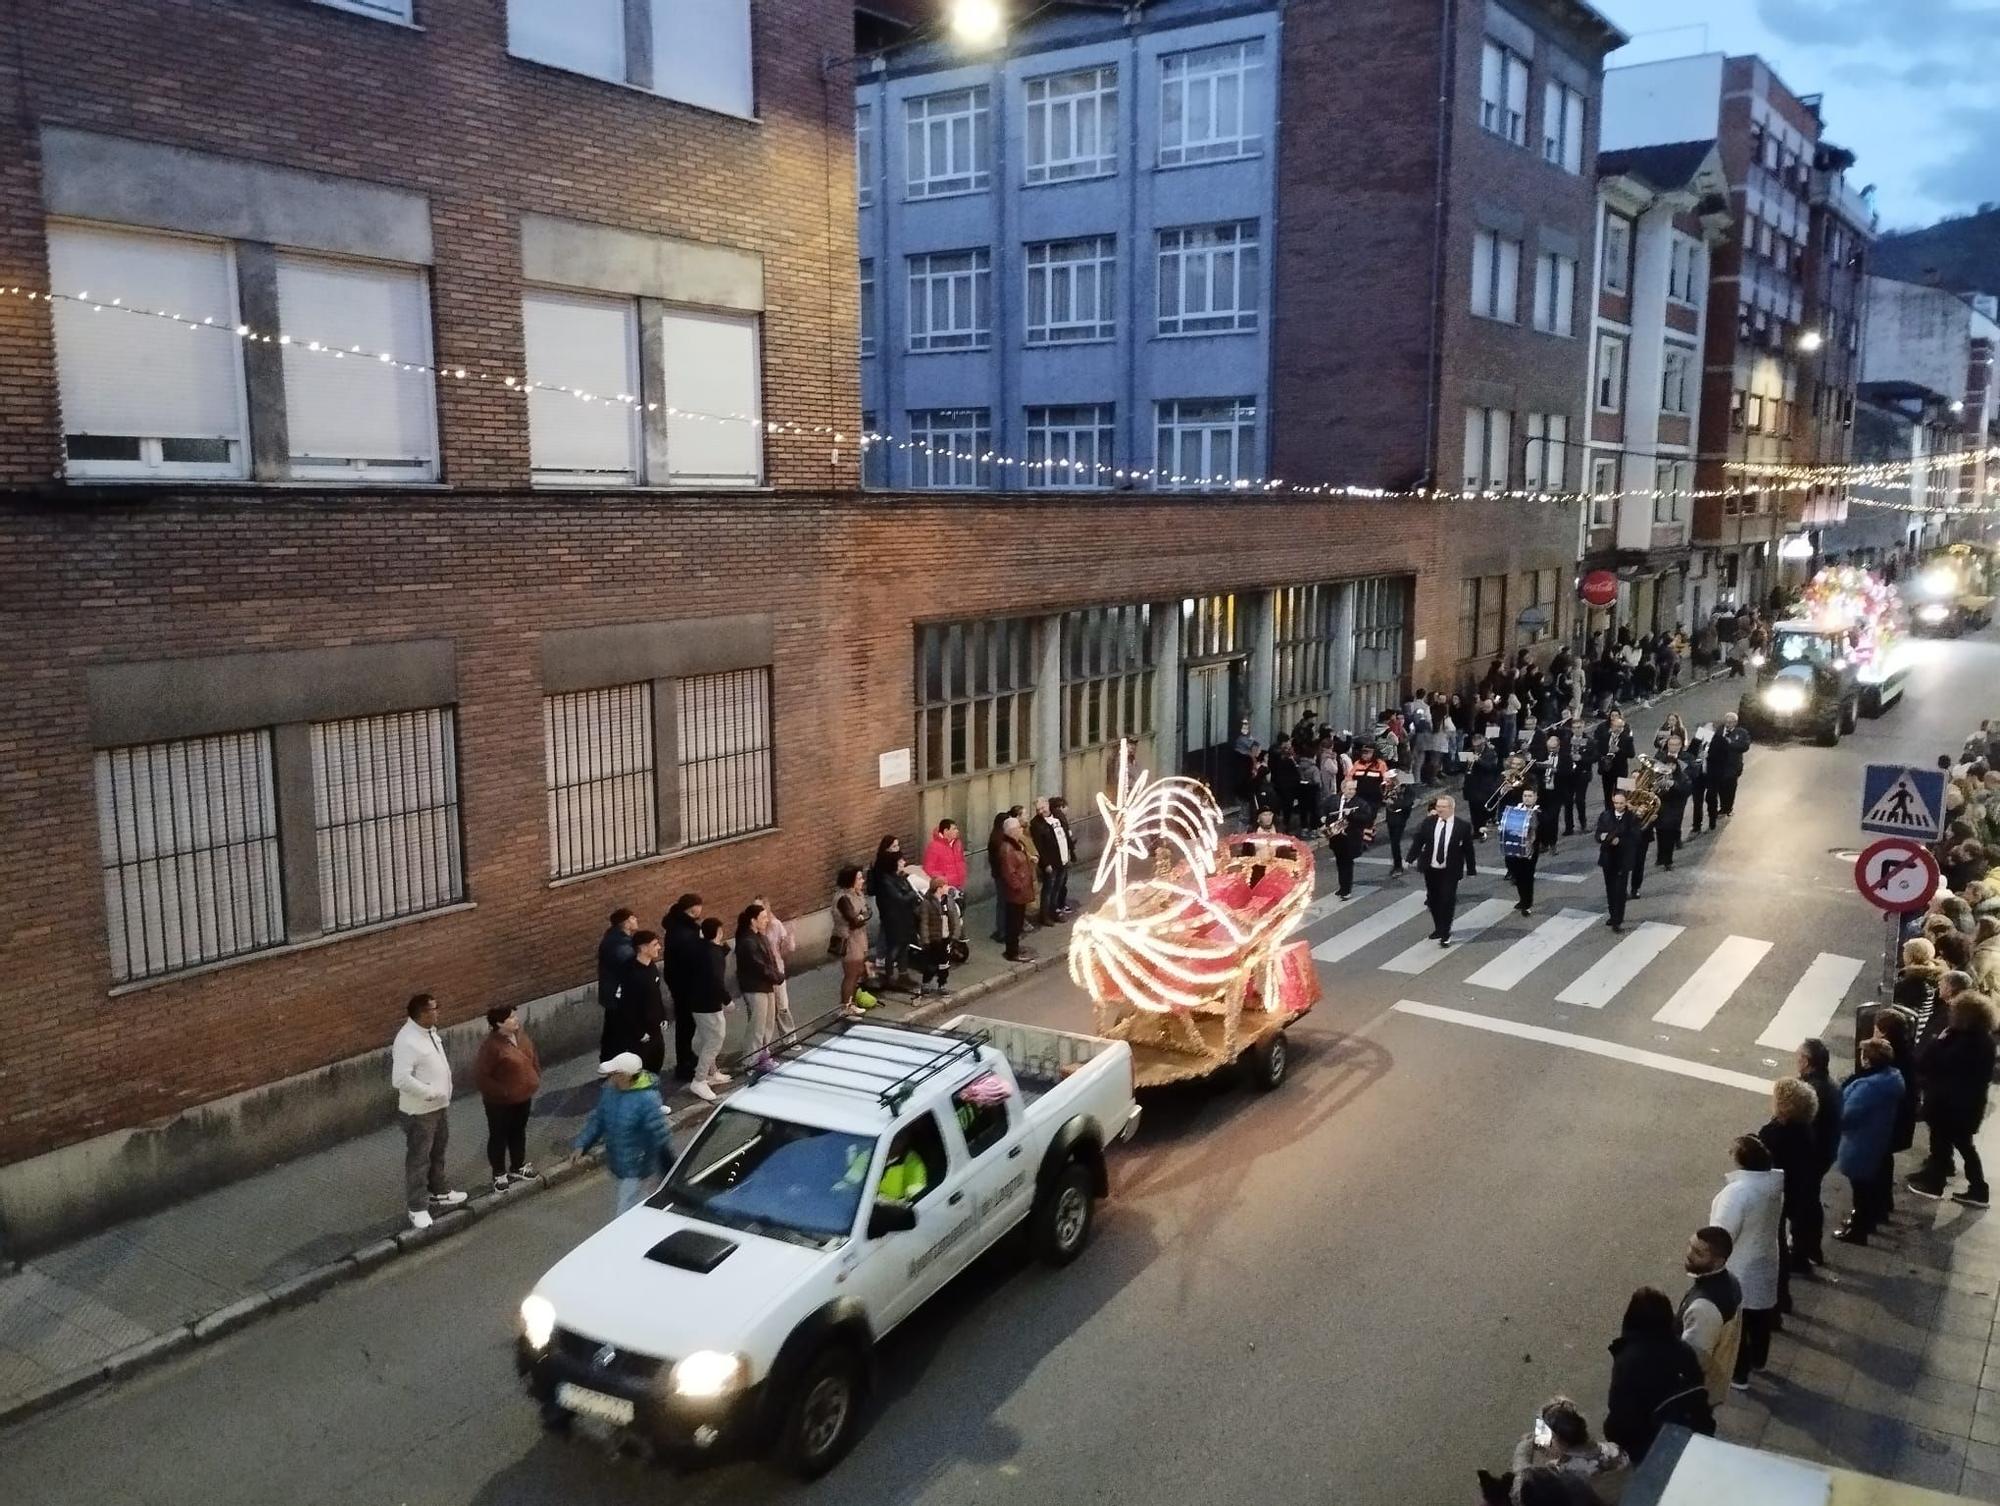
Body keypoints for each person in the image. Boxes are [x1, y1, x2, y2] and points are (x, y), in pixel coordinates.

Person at [1603, 1286, 1713, 1464]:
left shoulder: (1629, 1358)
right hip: (1678, 1428)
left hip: (1643, 1439)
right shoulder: (1683, 1350)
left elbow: (1620, 1408)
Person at [1908, 990, 1997, 1207]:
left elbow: (1933, 1062)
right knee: (1957, 1144)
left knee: (1947, 1144)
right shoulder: (1980, 1039)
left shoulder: (1966, 1043)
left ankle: (1939, 1184)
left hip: (1952, 1106)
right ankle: (1961, 1182)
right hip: (1962, 1105)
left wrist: (1937, 1042)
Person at [1708, 1135, 1783, 1390]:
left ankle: (1738, 1373)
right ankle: (1759, 1360)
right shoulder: (1773, 1187)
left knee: (1737, 1325)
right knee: (1760, 1319)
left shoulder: (1738, 1193)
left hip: (1740, 1266)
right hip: (1765, 1260)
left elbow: (1721, 1233)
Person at [391, 993, 466, 1231]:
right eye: (434, 1009)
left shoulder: (429, 1032)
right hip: (420, 1111)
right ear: (421, 1013)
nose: (438, 1012)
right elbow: (400, 1079)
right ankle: (417, 1207)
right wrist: (429, 1092)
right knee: (419, 1160)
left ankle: (439, 1191)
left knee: (437, 1152)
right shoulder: (407, 1040)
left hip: (438, 1106)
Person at [574, 1051, 674, 1220]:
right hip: (621, 1162)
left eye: (613, 1074)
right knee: (640, 1206)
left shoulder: (647, 1099)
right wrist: (582, 1144)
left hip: (638, 1167)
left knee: (625, 1211)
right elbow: (599, 1119)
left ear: (624, 1076)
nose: (609, 1078)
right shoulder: (610, 1091)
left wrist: (662, 1173)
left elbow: (660, 1137)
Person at [1834, 1037, 1905, 1245]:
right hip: (1876, 1138)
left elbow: (1847, 1117)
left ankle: (1859, 1230)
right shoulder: (1890, 1079)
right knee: (1869, 1188)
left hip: (1861, 1143)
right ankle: (1866, 1220)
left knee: (1861, 1191)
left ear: (1868, 1060)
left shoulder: (1868, 1087)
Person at [1759, 1078, 1823, 1301]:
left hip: (1778, 1194)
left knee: (1775, 1245)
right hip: (1796, 1191)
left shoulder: (1774, 1134)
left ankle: (1779, 1296)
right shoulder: (1804, 1130)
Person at [472, 1004, 541, 1193]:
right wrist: (502, 1092)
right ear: (499, 1024)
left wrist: (535, 1077)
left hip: (523, 1096)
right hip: (500, 1103)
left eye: (515, 1016)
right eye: (511, 1018)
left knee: (518, 1132)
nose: (516, 1020)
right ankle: (499, 1173)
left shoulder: (521, 1036)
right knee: (499, 1136)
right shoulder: (491, 1047)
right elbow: (481, 1076)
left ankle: (518, 1166)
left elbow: (532, 1057)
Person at [1678, 1226, 1744, 1408]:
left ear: (1718, 1262)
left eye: (1698, 1253)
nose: (1689, 1254)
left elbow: (1692, 1361)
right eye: (1690, 1246)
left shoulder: (1703, 1309)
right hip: (1714, 1382)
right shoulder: (1731, 1281)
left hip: (1695, 1395)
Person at [1508, 1397, 1628, 1494]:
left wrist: (1525, 1448)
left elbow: (1522, 1489)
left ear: (1558, 1442)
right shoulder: (1614, 1449)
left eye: (1543, 1432)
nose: (1540, 1439)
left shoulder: (1561, 1474)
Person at [1406, 794, 1476, 945]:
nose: (1440, 810)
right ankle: (1439, 927)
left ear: (1451, 808)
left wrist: (1471, 869)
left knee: (1447, 899)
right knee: (1433, 900)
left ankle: (1445, 932)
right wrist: (1410, 858)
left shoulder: (1462, 826)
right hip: (1431, 868)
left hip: (1450, 869)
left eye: (1443, 807)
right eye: (1438, 807)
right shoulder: (1429, 822)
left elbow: (1468, 849)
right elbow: (1419, 841)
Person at [1796, 1039, 1840, 1267]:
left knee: (1804, 1204)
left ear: (1807, 1061)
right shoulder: (1828, 1085)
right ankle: (1810, 1248)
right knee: (1810, 1200)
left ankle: (1804, 1252)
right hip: (1824, 1152)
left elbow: (1803, 1125)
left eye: (1799, 1057)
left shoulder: (1812, 1090)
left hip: (1812, 1157)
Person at [603, 930, 668, 1074]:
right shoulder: (630, 973)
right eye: (655, 944)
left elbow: (656, 995)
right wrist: (639, 1032)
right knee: (641, 1068)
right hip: (640, 1033)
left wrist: (663, 1016)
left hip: (655, 1027)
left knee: (657, 1061)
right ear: (643, 948)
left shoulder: (651, 966)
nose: (659, 947)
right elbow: (626, 1007)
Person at [660, 893, 705, 1083]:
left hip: (681, 984)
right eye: (699, 906)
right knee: (686, 1025)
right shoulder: (685, 932)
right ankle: (684, 1064)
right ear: (693, 908)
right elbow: (691, 959)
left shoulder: (679, 927)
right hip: (685, 985)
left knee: (687, 1024)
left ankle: (687, 1056)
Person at [686, 916, 732, 1101]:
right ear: (719, 932)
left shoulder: (700, 948)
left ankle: (712, 1073)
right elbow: (716, 980)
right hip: (709, 1004)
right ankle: (700, 1080)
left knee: (707, 1038)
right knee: (714, 1040)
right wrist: (727, 1000)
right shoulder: (713, 953)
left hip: (697, 1002)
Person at [734, 903, 784, 1064]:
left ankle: (763, 1052)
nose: (766, 921)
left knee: (767, 1022)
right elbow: (758, 966)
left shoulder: (760, 937)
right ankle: (751, 1059)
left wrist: (776, 974)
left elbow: (770, 960)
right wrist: (776, 976)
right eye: (762, 918)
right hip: (755, 987)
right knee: (757, 1024)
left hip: (766, 984)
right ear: (752, 920)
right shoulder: (747, 941)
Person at [993, 815, 1039, 962]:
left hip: (1021, 890)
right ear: (1012, 831)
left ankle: (1014, 947)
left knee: (1017, 922)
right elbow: (1009, 872)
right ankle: (1011, 952)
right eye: (1019, 828)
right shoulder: (1007, 848)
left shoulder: (1017, 844)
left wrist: (1029, 858)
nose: (1021, 829)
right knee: (1014, 923)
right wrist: (1018, 886)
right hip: (1016, 893)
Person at [875, 852, 922, 991]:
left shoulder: (901, 877)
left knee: (904, 947)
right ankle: (890, 977)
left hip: (905, 917)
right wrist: (913, 894)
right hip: (894, 920)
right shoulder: (887, 880)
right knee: (894, 948)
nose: (903, 862)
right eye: (900, 861)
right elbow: (898, 899)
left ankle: (903, 975)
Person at [1323, 776, 1376, 900]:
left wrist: (1352, 815)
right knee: (1340, 862)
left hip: (1350, 838)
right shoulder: (1333, 800)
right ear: (1343, 789)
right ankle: (1342, 887)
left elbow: (1367, 818)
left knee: (1347, 863)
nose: (1352, 791)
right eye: (1350, 789)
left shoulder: (1360, 803)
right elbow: (1323, 809)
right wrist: (1323, 818)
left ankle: (1346, 890)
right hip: (1336, 837)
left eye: (1354, 789)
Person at [831, 864, 873, 1015]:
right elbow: (854, 920)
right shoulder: (843, 898)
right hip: (849, 941)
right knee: (851, 974)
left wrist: (862, 916)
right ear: (851, 880)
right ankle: (846, 1007)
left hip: (859, 938)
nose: (862, 881)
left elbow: (867, 913)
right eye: (859, 878)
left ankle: (852, 1003)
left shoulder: (857, 894)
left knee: (857, 973)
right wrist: (861, 917)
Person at [1595, 789, 1639, 932]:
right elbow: (1598, 833)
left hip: (1623, 859)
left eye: (1621, 803)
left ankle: (1617, 920)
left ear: (1626, 803)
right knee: (1610, 890)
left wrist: (1620, 840)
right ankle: (1613, 914)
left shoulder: (1631, 818)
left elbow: (1636, 837)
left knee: (1620, 892)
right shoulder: (1605, 815)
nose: (1618, 806)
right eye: (1615, 803)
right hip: (1608, 858)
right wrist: (1601, 837)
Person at [757, 896, 797, 1039]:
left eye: (761, 908)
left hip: (777, 970)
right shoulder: (753, 929)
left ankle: (789, 1037)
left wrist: (789, 941)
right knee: (766, 1012)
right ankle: (763, 1045)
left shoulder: (775, 925)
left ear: (767, 909)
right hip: (762, 974)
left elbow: (784, 947)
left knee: (782, 1006)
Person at [1030, 797, 1075, 924]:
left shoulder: (1058, 815)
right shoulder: (1036, 824)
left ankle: (1055, 911)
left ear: (1048, 805)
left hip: (1063, 858)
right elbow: (1039, 846)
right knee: (1048, 889)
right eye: (1038, 809)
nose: (1041, 811)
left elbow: (1065, 832)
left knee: (1058, 887)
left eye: (1043, 808)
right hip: (1051, 861)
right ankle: (1045, 915)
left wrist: (1071, 851)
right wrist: (1045, 864)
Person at [916, 878, 964, 997]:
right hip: (934, 939)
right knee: (931, 963)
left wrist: (955, 936)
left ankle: (942, 984)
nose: (948, 888)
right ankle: (926, 983)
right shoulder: (927, 903)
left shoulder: (949, 901)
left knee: (944, 963)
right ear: (939, 889)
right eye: (945, 886)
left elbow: (955, 920)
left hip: (945, 938)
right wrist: (925, 940)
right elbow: (924, 923)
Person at [1651, 735, 1693, 872]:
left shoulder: (1682, 777)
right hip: (1660, 808)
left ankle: (1668, 860)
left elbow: (1686, 790)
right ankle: (1660, 856)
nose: (1670, 767)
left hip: (1674, 808)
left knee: (1669, 835)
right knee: (1660, 833)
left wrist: (1673, 784)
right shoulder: (1660, 772)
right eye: (1667, 765)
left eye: (1672, 765)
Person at [1500, 784, 1542, 916]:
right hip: (1514, 846)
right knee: (1516, 874)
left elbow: (1540, 826)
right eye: (1525, 796)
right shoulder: (1516, 808)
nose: (1527, 799)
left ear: (1535, 797)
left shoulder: (1539, 811)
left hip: (1531, 849)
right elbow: (1505, 815)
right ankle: (1522, 898)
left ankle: (1527, 903)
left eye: (1530, 796)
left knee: (1527, 876)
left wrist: (1534, 816)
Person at [1704, 713, 1750, 823]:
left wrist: (1730, 743)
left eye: (1731, 722)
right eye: (1727, 722)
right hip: (1718, 765)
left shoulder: (1741, 732)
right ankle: (1719, 808)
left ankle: (1727, 808)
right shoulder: (1719, 730)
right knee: (1719, 787)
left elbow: (1745, 746)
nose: (1728, 724)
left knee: (1729, 788)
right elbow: (1705, 739)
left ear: (1735, 722)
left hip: (1732, 766)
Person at [1531, 732, 1568, 854]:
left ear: (1558, 747)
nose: (1551, 751)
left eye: (1553, 748)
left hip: (1556, 793)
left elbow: (1569, 773)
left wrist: (1556, 770)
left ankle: (1553, 844)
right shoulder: (1542, 755)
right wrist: (1542, 766)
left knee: (1552, 819)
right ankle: (1543, 842)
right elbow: (1534, 769)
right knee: (1541, 819)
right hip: (1543, 792)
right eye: (1549, 748)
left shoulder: (1565, 757)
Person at [1596, 711, 1637, 812]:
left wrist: (1619, 750)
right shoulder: (1605, 736)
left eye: (1621, 727)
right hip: (1607, 770)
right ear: (1612, 726)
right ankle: (1609, 813)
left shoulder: (1627, 739)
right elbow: (1598, 750)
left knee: (1621, 794)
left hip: (1621, 770)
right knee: (1607, 793)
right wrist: (1603, 757)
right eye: (1616, 726)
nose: (1618, 729)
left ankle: (1621, 813)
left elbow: (1631, 754)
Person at [597, 908, 637, 1012]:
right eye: (632, 918)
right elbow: (632, 965)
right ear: (625, 923)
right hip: (619, 994)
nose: (636, 919)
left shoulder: (615, 938)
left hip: (613, 993)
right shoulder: (620, 943)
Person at [1462, 736, 1502, 839]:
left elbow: (1491, 767)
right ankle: (1476, 831)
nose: (1476, 748)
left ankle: (1482, 830)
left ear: (1483, 744)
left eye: (1478, 746)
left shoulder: (1491, 753)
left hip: (1484, 786)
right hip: (1471, 785)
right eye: (1474, 746)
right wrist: (1465, 761)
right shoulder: (1469, 751)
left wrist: (1478, 760)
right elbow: (1461, 765)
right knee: (1473, 810)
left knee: (1481, 810)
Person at [921, 817, 968, 896]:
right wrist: (944, 878)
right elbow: (928, 868)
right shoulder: (934, 846)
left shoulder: (958, 843)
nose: (957, 831)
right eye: (954, 829)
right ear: (946, 831)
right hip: (945, 888)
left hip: (960, 884)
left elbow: (961, 860)